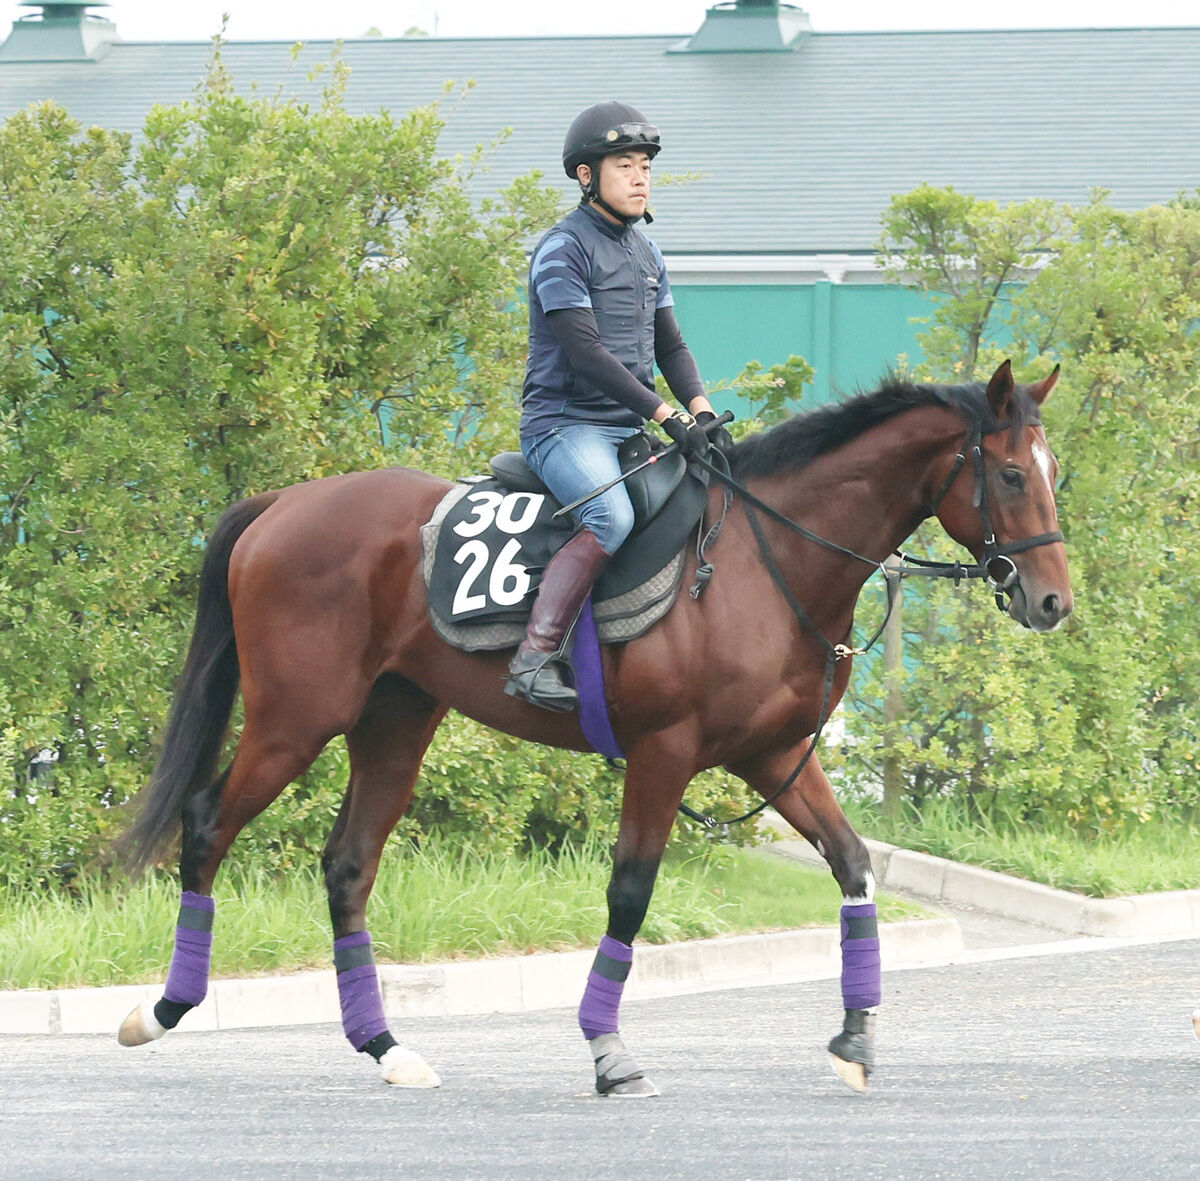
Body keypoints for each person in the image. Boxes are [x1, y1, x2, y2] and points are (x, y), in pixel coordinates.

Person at [506, 100, 733, 713]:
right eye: (625, 165)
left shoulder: (647, 254)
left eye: (645, 167)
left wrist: (702, 411)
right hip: (563, 427)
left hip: (623, 428)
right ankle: (534, 657)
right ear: (587, 175)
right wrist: (669, 417)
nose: (640, 178)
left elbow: (671, 346)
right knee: (609, 518)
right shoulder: (562, 250)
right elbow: (585, 355)